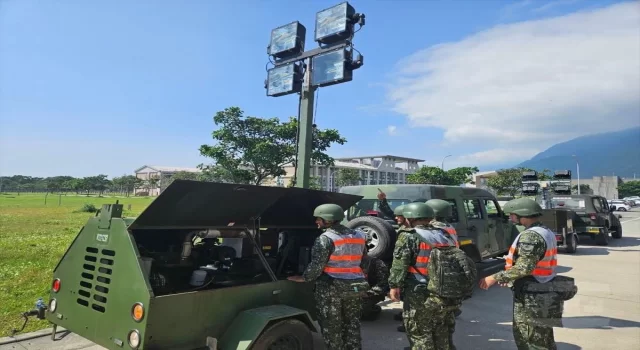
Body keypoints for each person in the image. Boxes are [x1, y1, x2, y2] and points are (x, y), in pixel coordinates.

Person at [479, 198, 574, 350]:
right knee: (544, 337)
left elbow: (524, 267)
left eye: (512, 214)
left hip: (534, 294)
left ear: (522, 214)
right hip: (544, 288)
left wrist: (494, 277)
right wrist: (511, 277)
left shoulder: (531, 236)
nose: (510, 218)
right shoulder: (544, 230)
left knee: (530, 340)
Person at [287, 203, 370, 350]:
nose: (316, 222)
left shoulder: (325, 238)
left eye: (319, 219)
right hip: (356, 286)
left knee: (331, 325)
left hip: (332, 288)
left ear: (328, 219)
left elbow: (317, 265)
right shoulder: (359, 235)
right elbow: (365, 261)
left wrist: (304, 278)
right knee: (352, 323)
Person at [388, 202, 465, 350]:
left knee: (419, 330)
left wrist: (394, 286)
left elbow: (400, 265)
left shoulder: (409, 236)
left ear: (410, 218)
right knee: (441, 329)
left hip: (420, 289)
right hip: (444, 288)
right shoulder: (444, 233)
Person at [360, 254, 390, 321]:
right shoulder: (347, 262)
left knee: (363, 311)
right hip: (352, 292)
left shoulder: (376, 263)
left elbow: (383, 283)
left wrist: (368, 293)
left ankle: (374, 309)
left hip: (370, 293)